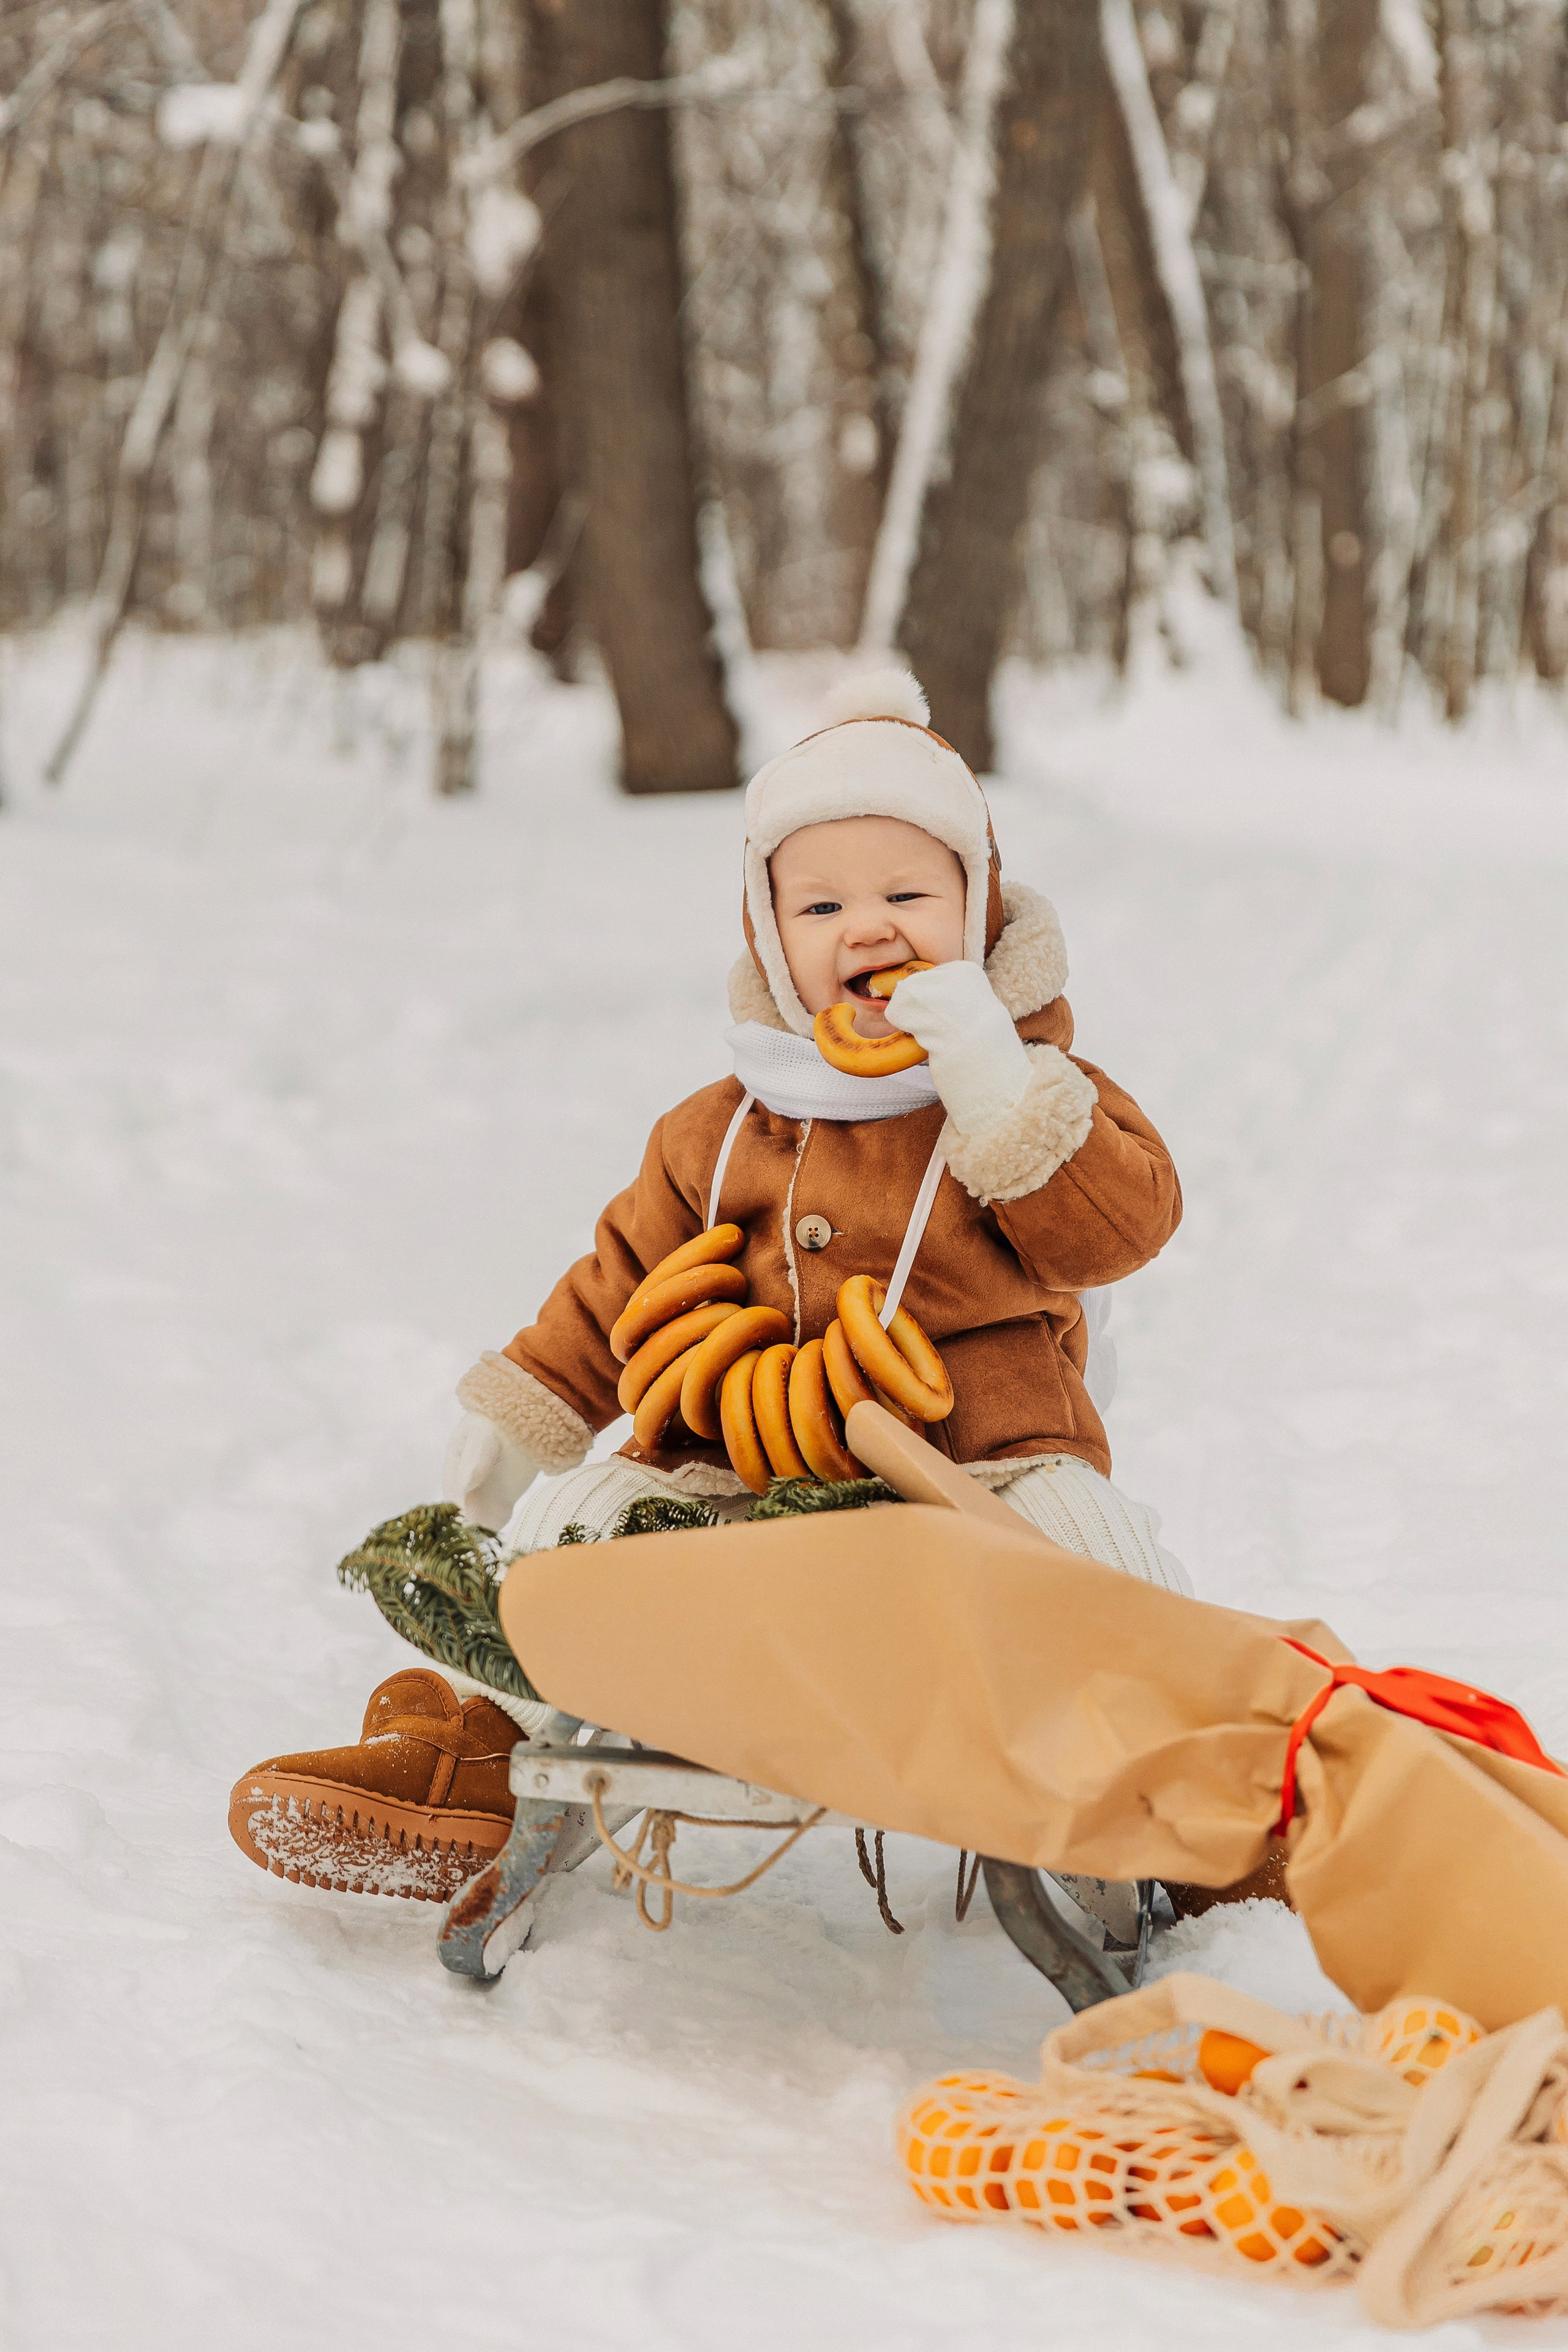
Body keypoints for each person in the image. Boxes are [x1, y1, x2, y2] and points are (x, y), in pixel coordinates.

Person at [228, 669, 1185, 1902]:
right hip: (725, 1470)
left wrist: (998, 1090)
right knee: (559, 1537)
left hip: (980, 1471)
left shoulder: (1037, 1090)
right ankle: (466, 1757)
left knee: (1099, 1563)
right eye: (821, 903)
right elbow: (617, 1280)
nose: (868, 928)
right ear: (767, 935)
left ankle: (1199, 1803)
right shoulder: (718, 1129)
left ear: (978, 907)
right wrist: (527, 1403)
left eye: (908, 893)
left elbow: (1117, 1230)